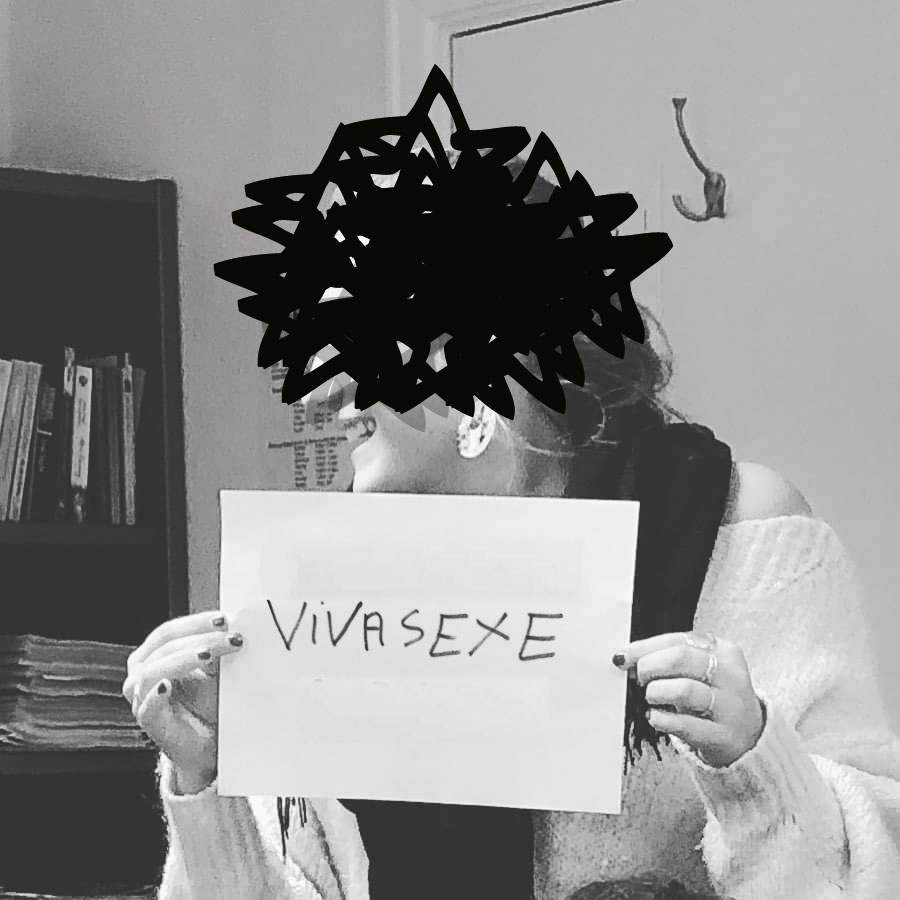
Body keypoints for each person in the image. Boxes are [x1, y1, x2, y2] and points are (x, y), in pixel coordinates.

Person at [124, 166, 900, 900]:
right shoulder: (324, 591)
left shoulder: (742, 532)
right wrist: (207, 779)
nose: (320, 391)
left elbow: (879, 868)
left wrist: (757, 763)